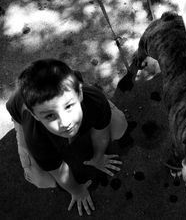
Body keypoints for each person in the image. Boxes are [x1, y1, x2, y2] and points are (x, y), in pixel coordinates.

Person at [6, 59, 127, 216]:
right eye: (50, 115)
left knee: (119, 127)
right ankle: (23, 123)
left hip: (79, 95)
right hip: (21, 113)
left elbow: (101, 133)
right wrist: (77, 190)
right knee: (42, 179)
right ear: (35, 115)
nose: (65, 122)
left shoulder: (93, 98)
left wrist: (98, 157)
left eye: (69, 106)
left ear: (80, 94)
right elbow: (58, 172)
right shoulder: (36, 137)